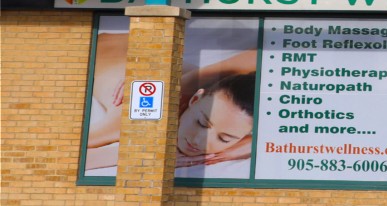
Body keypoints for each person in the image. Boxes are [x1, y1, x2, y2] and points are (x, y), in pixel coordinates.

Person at [83, 31, 257, 172]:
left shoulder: (229, 104)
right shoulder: (143, 110)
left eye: (225, 139)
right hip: (93, 44)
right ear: (195, 99)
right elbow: (71, 152)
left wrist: (249, 146)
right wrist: (153, 155)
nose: (199, 140)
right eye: (201, 123)